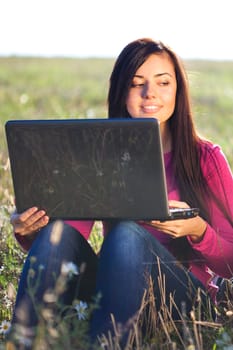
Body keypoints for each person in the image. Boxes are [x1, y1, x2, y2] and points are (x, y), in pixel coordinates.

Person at [9, 38, 233, 348]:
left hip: (184, 303)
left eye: (163, 82)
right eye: (136, 83)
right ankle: (21, 342)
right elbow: (68, 240)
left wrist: (197, 230)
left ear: (178, 90)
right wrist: (32, 231)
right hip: (115, 292)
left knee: (127, 235)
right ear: (121, 93)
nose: (149, 93)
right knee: (58, 231)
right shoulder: (103, 155)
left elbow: (230, 261)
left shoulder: (205, 158)